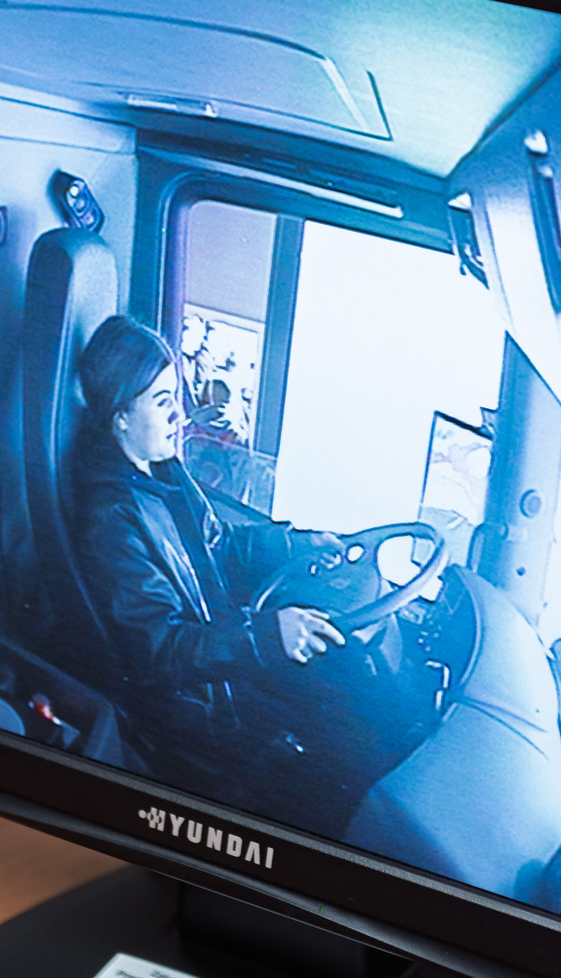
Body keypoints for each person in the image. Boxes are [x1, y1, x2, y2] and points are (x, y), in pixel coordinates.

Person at [70, 315, 368, 824]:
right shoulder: (111, 521)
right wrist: (267, 637)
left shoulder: (161, 471)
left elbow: (219, 544)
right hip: (198, 711)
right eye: (163, 402)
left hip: (224, 666)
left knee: (348, 704)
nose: (180, 414)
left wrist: (295, 544)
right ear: (120, 416)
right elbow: (160, 650)